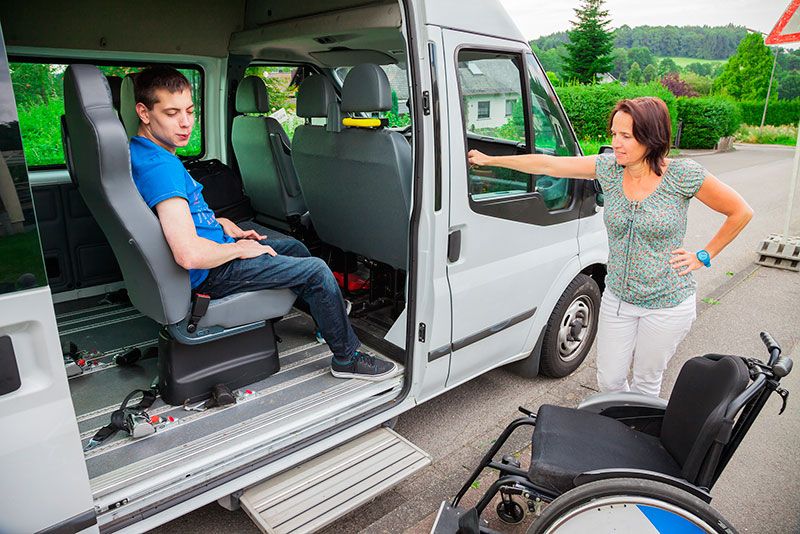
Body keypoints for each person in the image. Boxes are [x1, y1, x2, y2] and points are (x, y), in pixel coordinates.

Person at [468, 97, 752, 396]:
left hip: (666, 304)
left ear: (651, 137)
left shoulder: (683, 175)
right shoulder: (608, 168)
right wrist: (490, 161)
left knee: (646, 383)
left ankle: (633, 435)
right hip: (618, 298)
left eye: (626, 136)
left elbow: (740, 212)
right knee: (610, 381)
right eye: (614, 134)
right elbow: (549, 164)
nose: (616, 143)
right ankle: (619, 420)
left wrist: (704, 255)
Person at [128, 65, 396, 381]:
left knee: (294, 246)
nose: (186, 122)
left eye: (189, 110)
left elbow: (178, 217)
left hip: (216, 250)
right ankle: (347, 358)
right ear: (144, 112)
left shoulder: (143, 151)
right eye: (172, 113)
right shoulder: (162, 169)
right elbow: (189, 254)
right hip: (211, 273)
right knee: (317, 271)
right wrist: (240, 250)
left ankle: (329, 321)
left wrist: (221, 223)